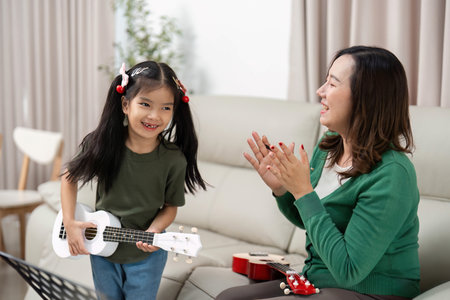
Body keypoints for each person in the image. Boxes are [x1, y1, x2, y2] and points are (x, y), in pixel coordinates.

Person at [216, 46, 420, 300]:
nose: (320, 91)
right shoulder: (329, 146)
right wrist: (282, 189)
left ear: (366, 98)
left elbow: (349, 270)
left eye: (332, 84)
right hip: (318, 281)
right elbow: (312, 221)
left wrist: (303, 191)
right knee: (229, 298)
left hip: (369, 291)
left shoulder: (392, 174)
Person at [60, 61, 206, 300]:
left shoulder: (173, 159)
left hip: (146, 257)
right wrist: (70, 221)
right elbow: (69, 177)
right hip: (102, 251)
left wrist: (155, 230)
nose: (154, 116)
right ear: (125, 104)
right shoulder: (102, 144)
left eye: (165, 108)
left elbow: (170, 207)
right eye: (145, 104)